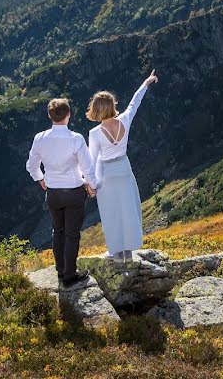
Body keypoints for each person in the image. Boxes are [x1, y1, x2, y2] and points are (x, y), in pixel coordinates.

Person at [86, 70, 159, 261]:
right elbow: (135, 102)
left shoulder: (94, 133)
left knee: (112, 215)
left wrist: (90, 185)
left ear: (96, 109)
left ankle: (118, 255)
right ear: (112, 106)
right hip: (124, 170)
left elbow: (91, 162)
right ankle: (128, 252)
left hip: (106, 175)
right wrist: (146, 83)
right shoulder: (125, 120)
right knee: (128, 210)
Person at [25, 97, 97, 288]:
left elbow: (31, 165)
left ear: (50, 116)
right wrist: (92, 185)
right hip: (74, 192)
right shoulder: (76, 139)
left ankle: (60, 270)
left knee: (58, 231)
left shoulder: (40, 138)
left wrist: (40, 178)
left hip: (53, 193)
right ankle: (70, 275)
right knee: (72, 234)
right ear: (69, 115)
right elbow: (87, 167)